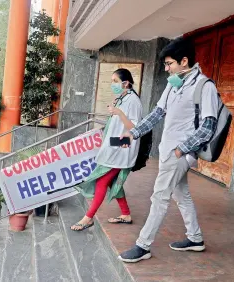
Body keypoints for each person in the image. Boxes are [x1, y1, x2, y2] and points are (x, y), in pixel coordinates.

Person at [118, 37, 219, 262]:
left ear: (184, 61)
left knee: (160, 197)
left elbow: (208, 126)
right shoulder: (173, 84)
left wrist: (181, 149)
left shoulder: (205, 86)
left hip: (180, 153)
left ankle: (142, 246)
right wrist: (133, 133)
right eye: (164, 64)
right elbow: (157, 113)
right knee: (180, 194)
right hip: (169, 151)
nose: (166, 68)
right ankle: (195, 238)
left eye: (170, 63)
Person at [71, 68, 143, 231]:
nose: (113, 85)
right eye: (112, 81)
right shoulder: (123, 98)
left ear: (126, 83)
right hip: (115, 144)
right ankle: (125, 213)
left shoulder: (134, 101)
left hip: (124, 147)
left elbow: (135, 127)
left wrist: (118, 113)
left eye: (115, 81)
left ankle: (88, 218)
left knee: (102, 180)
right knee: (111, 181)